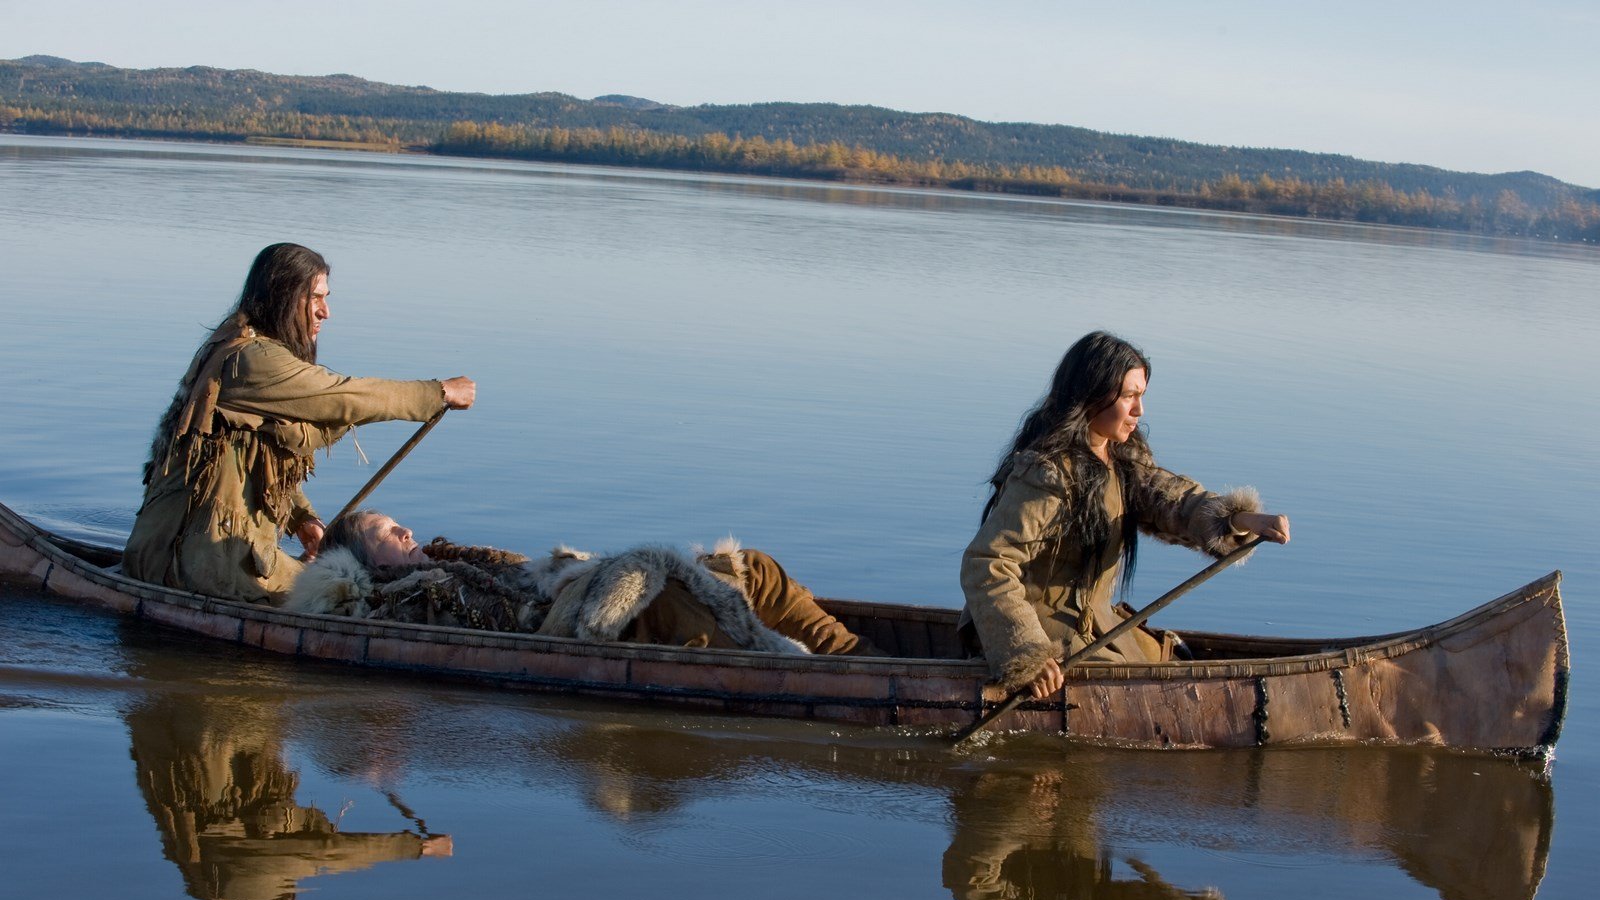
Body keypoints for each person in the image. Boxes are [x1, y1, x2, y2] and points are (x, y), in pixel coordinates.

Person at [123, 243, 477, 605]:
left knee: (343, 581)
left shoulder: (241, 346)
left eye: (326, 298)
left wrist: (301, 518)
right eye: (315, 298)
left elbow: (250, 457)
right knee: (352, 595)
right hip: (193, 565)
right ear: (283, 296)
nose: (326, 312)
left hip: (188, 555)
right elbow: (342, 397)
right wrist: (439, 393)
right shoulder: (248, 360)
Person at [960, 331, 1289, 699]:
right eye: (1129, 396)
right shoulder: (1046, 476)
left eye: (1141, 396)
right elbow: (987, 563)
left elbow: (1173, 501)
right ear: (1092, 395)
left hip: (1097, 625)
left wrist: (1241, 521)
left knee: (1174, 658)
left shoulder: (1121, 459)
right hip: (1042, 635)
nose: (1139, 411)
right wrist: (1028, 654)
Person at [283, 509, 879, 656]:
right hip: (589, 618)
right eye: (390, 532)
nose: (407, 530)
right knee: (684, 594)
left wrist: (439, 549)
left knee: (758, 569)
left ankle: (860, 661)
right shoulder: (407, 598)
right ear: (373, 564)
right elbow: (508, 613)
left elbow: (508, 563)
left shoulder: (437, 565)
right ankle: (861, 678)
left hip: (578, 586)